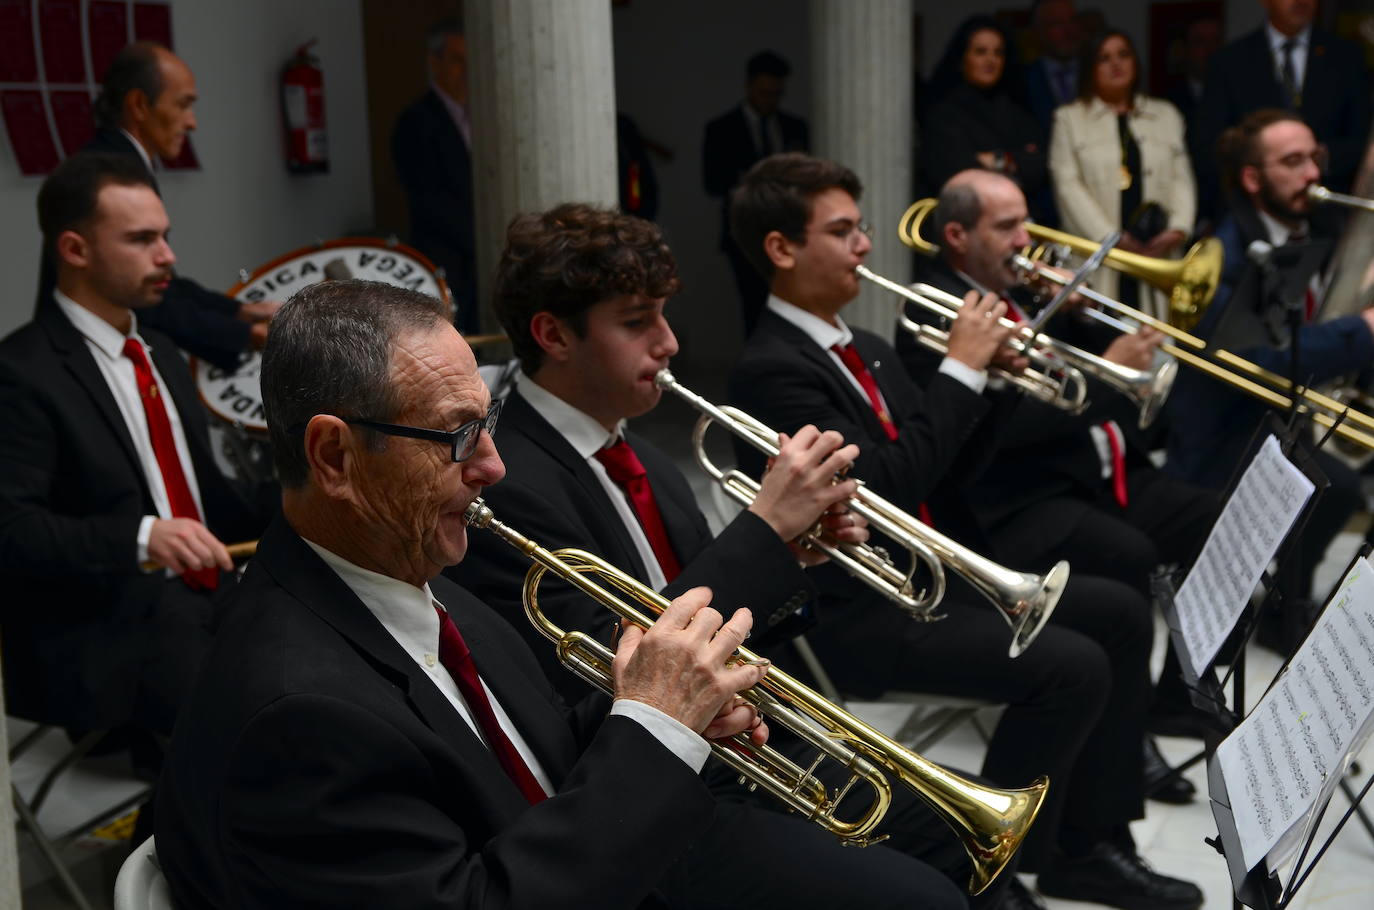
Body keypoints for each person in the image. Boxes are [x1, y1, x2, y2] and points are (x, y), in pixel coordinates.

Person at [157, 277, 945, 910]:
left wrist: (666, 710)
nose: (494, 465)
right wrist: (656, 734)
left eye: (488, 424)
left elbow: (529, 754)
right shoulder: (294, 714)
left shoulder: (411, 579)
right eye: (457, 436)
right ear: (334, 456)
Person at [446, 202, 1013, 909]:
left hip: (741, 751)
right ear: (553, 334)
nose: (669, 342)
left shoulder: (649, 459)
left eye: (664, 314)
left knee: (955, 843)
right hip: (650, 798)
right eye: (636, 320)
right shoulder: (510, 484)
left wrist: (792, 558)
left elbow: (726, 629)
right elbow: (603, 679)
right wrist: (762, 532)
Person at [728, 152, 1204, 910]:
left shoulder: (873, 348)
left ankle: (1090, 845)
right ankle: (986, 868)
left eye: (863, 228)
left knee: (1115, 613)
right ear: (782, 250)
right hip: (855, 613)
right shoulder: (770, 371)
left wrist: (998, 380)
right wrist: (959, 374)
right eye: (843, 231)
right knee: (1070, 666)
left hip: (933, 579)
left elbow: (948, 467)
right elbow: (879, 488)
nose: (864, 247)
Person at [0, 154, 264, 824]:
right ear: (75, 249)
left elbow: (209, 498)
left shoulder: (161, 354)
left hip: (201, 597)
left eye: (165, 235)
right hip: (98, 623)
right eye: (142, 240)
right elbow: (12, 530)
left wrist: (315, 487)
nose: (168, 256)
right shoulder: (23, 371)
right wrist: (146, 536)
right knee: (257, 708)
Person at [910, 169, 1220, 738]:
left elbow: (1076, 380)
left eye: (1023, 222)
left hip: (1085, 473)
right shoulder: (937, 308)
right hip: (1014, 499)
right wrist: (1116, 372)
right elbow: (1015, 428)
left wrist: (1075, 319)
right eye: (1006, 227)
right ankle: (1117, 735)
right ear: (957, 235)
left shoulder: (1020, 293)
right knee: (1129, 555)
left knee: (1213, 518)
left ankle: (1175, 700)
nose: (1025, 239)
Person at [1166, 109, 1374, 648]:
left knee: (1343, 483)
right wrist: (1362, 330)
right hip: (1220, 436)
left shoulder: (1304, 232)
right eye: (1293, 162)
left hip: (1268, 419)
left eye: (1315, 159)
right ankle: (1285, 610)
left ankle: (1292, 603)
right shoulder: (1226, 253)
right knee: (1339, 486)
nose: (1312, 174)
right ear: (1252, 179)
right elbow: (1258, 364)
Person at [35, 42, 278, 371]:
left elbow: (162, 282)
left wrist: (239, 312)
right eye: (182, 105)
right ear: (138, 104)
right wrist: (247, 333)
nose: (191, 123)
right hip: (80, 365)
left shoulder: (119, 162)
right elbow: (141, 296)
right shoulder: (113, 176)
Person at [1048, 28, 1195, 315]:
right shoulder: (1068, 119)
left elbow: (1182, 177)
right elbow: (1066, 185)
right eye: (1104, 58)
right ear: (1090, 68)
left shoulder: (1166, 114)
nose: (1116, 64)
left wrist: (1178, 228)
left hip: (1158, 249)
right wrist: (1110, 237)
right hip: (1100, 252)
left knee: (1156, 338)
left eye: (1123, 55)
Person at [1192, 0, 1371, 222]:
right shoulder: (1230, 60)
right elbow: (1210, 145)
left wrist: (1319, 158)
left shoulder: (1346, 56)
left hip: (1330, 212)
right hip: (1254, 214)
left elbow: (1364, 141)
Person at [703, 51, 810, 336]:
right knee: (753, 306)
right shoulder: (721, 130)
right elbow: (712, 183)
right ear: (749, 86)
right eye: (764, 92)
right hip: (742, 233)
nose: (770, 100)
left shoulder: (794, 127)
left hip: (791, 231)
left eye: (777, 93)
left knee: (794, 303)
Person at [392, 17, 481, 334]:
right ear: (435, 62)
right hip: (447, 264)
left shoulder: (483, 116)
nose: (467, 71)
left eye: (473, 62)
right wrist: (484, 242)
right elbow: (430, 201)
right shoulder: (417, 121)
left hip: (481, 264)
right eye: (458, 61)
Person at [920, 17, 1049, 222]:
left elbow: (1039, 168)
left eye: (998, 52)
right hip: (967, 223)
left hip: (1021, 222)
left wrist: (993, 160)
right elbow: (957, 174)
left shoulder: (1019, 111)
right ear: (962, 59)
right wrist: (1014, 161)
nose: (991, 60)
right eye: (981, 52)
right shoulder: (943, 114)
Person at [1022, 0, 1084, 131]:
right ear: (1038, 31)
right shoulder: (1021, 80)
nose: (1069, 30)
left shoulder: (1095, 71)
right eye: (1057, 23)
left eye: (1072, 20)